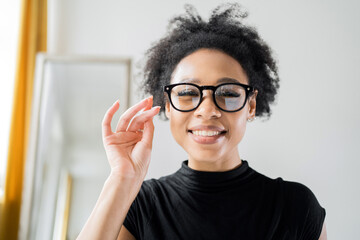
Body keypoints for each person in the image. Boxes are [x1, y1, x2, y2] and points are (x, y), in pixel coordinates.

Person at [77, 3, 326, 240]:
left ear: (250, 105)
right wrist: (122, 179)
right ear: (166, 105)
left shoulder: (296, 208)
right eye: (187, 93)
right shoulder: (139, 206)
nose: (207, 110)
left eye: (228, 92)